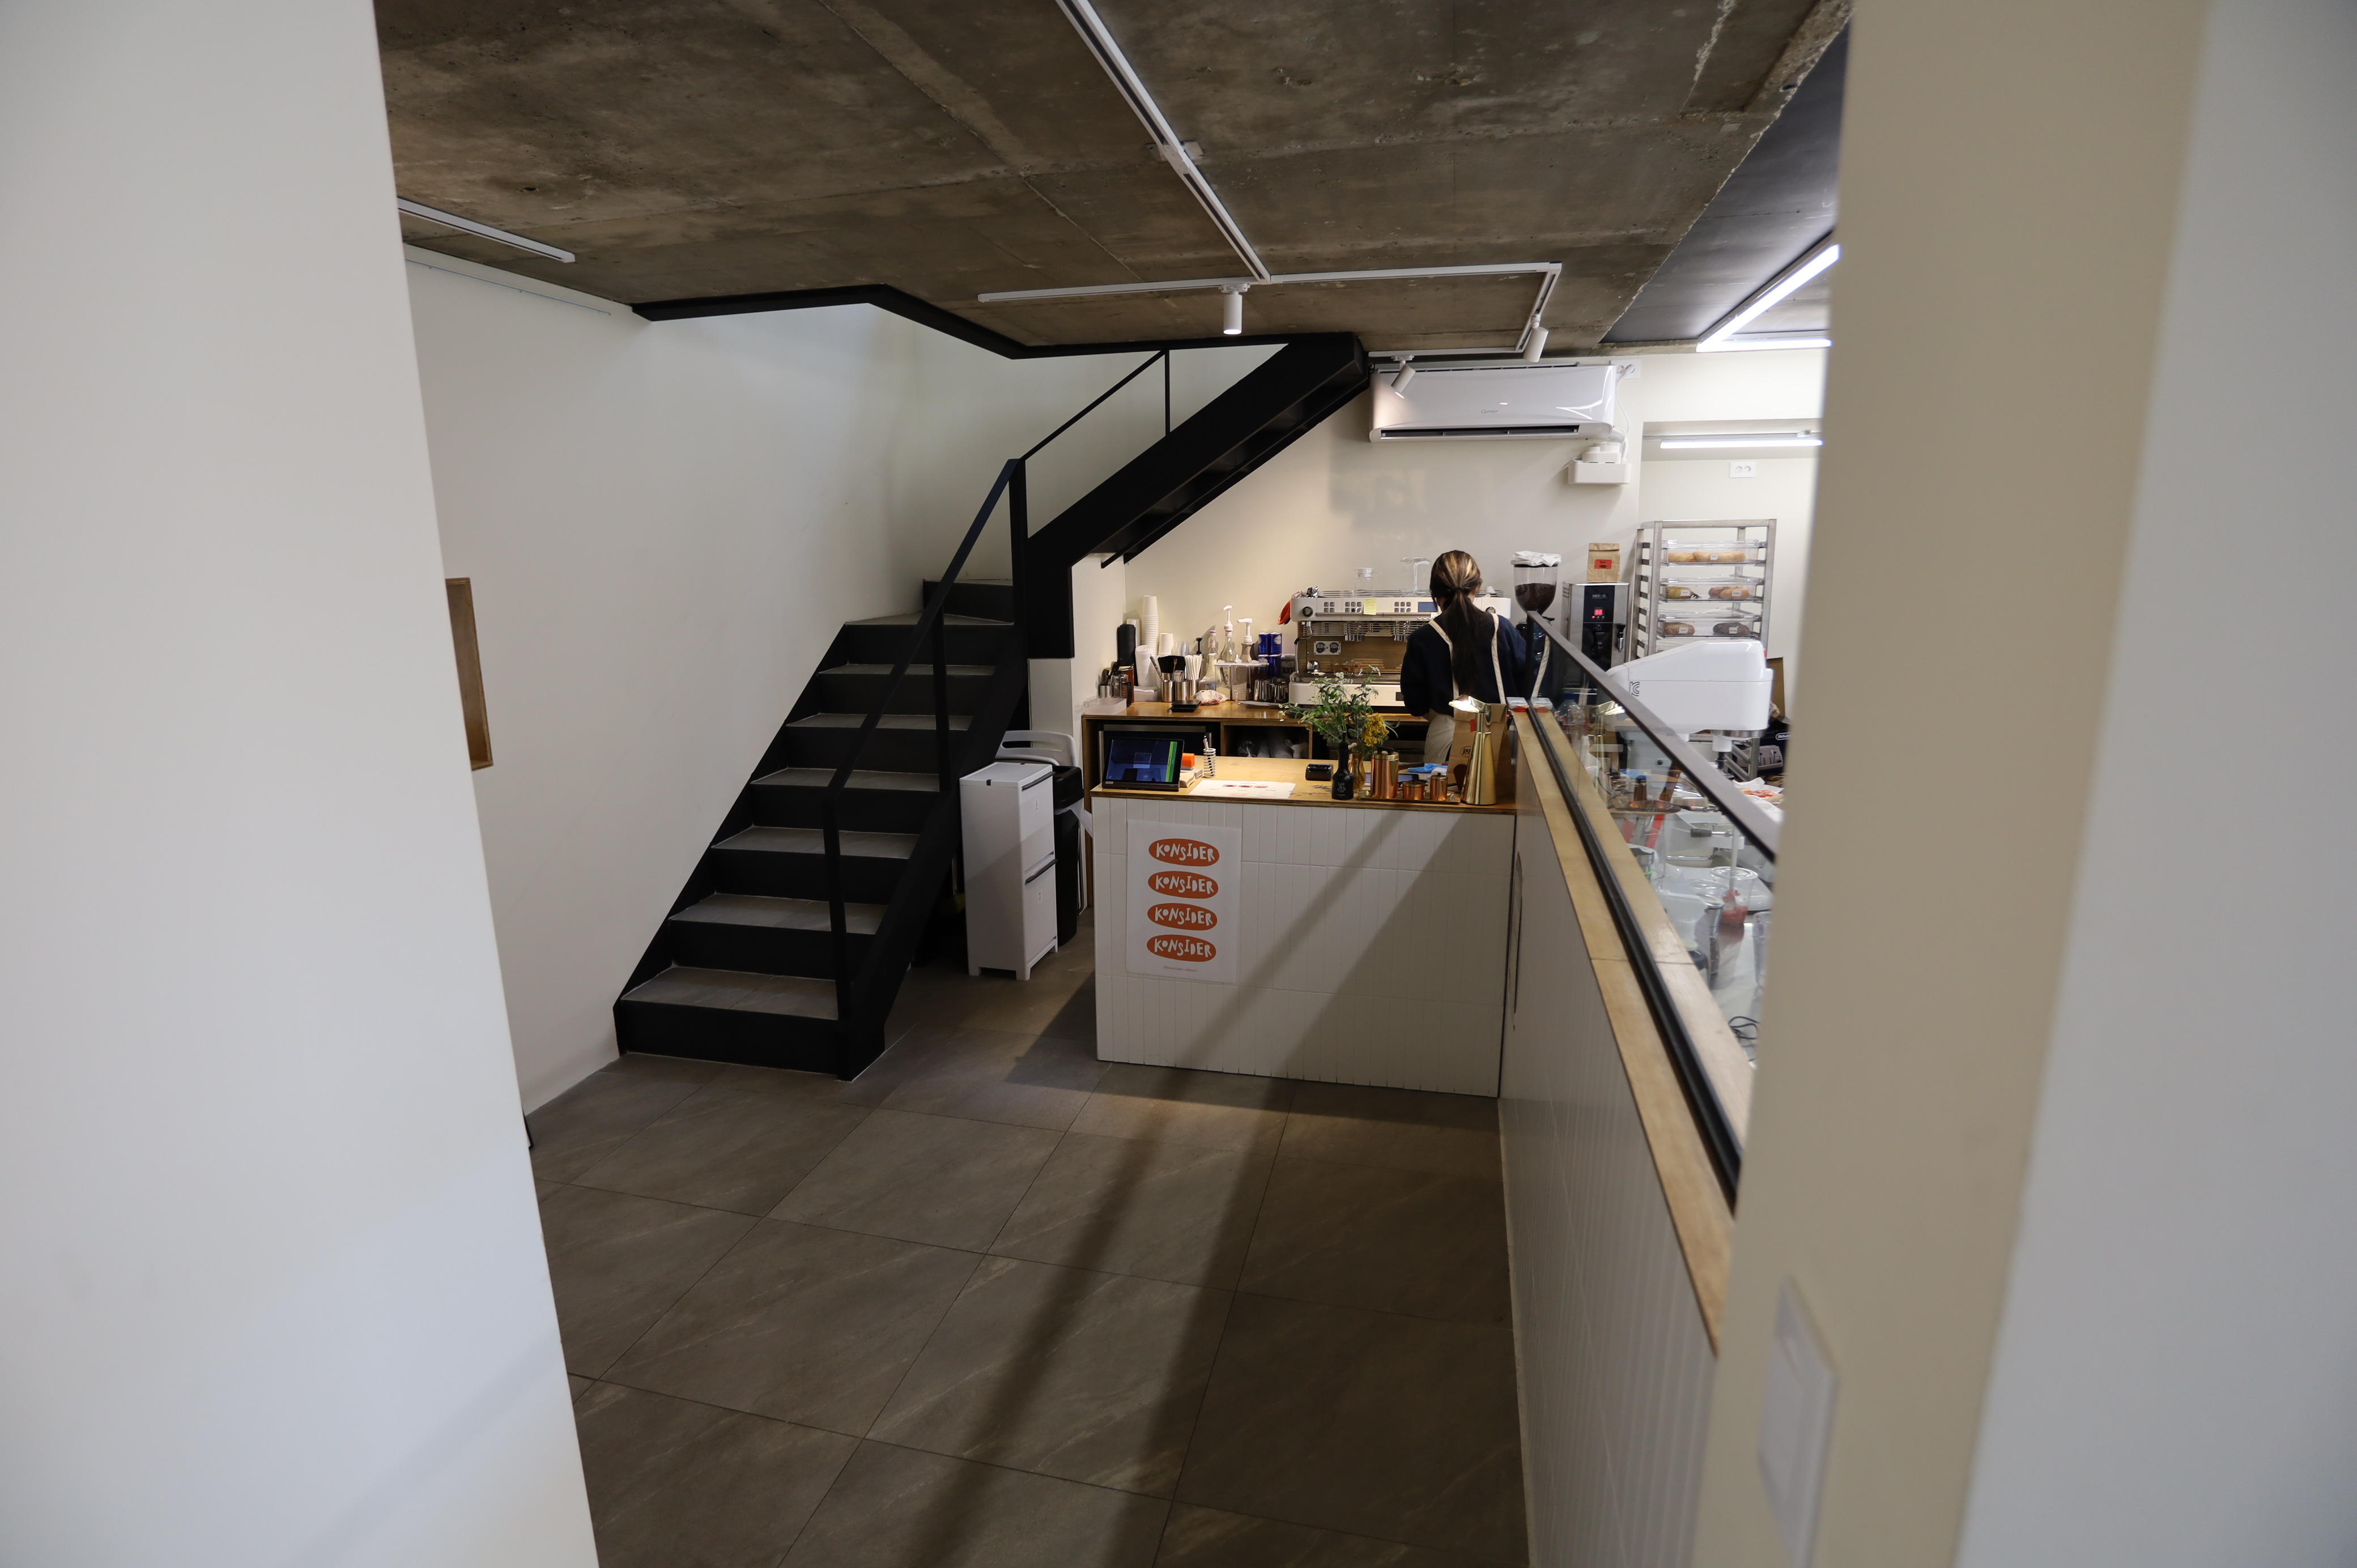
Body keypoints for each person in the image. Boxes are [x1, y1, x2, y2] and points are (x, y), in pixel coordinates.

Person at [1398, 550, 1528, 764]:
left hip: (1446, 741)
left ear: (1434, 591)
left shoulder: (1422, 638)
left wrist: (1444, 716)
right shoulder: (1502, 628)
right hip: (1503, 736)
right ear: (1478, 587)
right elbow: (1527, 685)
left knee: (1446, 786)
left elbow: (1415, 703)